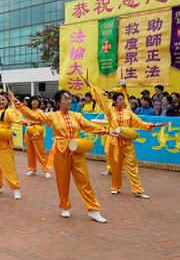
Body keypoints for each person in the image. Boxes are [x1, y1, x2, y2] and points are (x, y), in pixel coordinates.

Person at [14, 90, 112, 223]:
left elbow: (89, 126)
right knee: (62, 180)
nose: (68, 101)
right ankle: (65, 206)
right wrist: (20, 106)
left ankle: (94, 210)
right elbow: (34, 116)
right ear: (58, 102)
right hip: (61, 150)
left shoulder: (76, 115)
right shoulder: (52, 116)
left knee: (84, 180)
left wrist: (106, 131)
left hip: (76, 150)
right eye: (65, 99)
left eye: (69, 98)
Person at [88, 82, 163, 199]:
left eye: (123, 99)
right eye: (120, 99)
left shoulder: (128, 112)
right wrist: (91, 87)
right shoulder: (109, 111)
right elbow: (100, 100)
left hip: (127, 142)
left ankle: (137, 190)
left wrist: (153, 124)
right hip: (114, 141)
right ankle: (115, 187)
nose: (123, 101)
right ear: (114, 101)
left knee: (132, 165)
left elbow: (139, 123)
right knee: (116, 166)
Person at [23, 96, 51, 179]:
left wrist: (34, 122)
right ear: (30, 102)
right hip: (29, 133)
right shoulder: (27, 111)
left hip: (37, 132)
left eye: (36, 101)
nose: (35, 103)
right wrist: (27, 122)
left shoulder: (40, 111)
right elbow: (24, 119)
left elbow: (43, 120)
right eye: (33, 101)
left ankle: (46, 170)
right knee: (30, 152)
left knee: (40, 152)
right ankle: (32, 169)